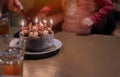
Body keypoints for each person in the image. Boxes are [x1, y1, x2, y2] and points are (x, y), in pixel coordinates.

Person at [8, 0, 114, 35]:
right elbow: (56, 4)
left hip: (84, 37)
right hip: (65, 34)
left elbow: (109, 6)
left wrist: (93, 19)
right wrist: (45, 10)